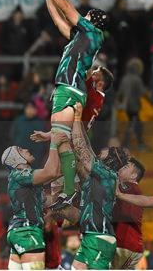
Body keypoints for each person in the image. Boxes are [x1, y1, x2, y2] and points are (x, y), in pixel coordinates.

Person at [40, 0, 109, 209]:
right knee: (62, 140)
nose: (84, 18)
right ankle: (69, 190)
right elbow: (60, 20)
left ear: (92, 20)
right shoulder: (83, 37)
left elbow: (68, 10)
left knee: (59, 142)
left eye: (86, 16)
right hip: (74, 89)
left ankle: (67, 189)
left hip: (67, 88)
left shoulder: (93, 32)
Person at [56, 102, 129, 270]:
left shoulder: (106, 174)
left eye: (104, 152)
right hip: (92, 236)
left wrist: (76, 118)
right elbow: (84, 148)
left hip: (99, 238)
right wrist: (79, 124)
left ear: (110, 160)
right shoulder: (102, 175)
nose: (99, 152)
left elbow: (82, 148)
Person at [1, 131, 62, 270]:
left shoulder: (24, 180)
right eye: (21, 150)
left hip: (19, 231)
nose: (26, 149)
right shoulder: (20, 174)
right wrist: (53, 142)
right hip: (27, 231)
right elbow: (51, 172)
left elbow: (57, 172)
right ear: (16, 159)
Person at [112, 157, 146, 269]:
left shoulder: (130, 187)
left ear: (133, 176)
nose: (120, 168)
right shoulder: (134, 190)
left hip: (124, 243)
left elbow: (110, 185)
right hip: (133, 245)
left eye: (125, 167)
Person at [116, 58, 147, 151]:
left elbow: (120, 93)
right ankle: (137, 144)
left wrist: (119, 102)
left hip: (126, 106)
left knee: (132, 124)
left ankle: (126, 144)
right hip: (134, 106)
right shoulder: (137, 79)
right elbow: (142, 92)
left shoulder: (125, 78)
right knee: (136, 125)